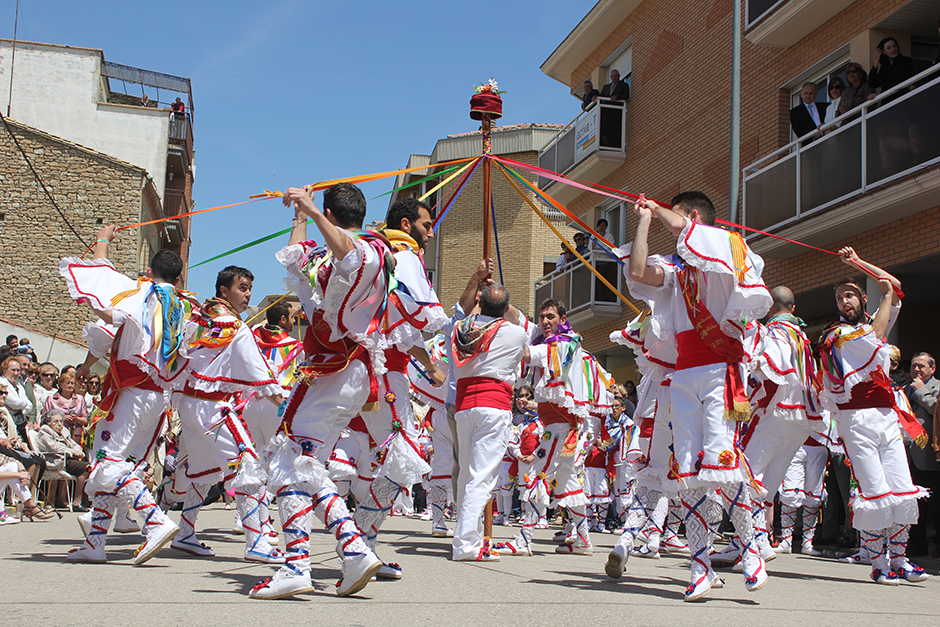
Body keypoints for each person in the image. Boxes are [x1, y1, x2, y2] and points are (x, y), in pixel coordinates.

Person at [251, 182, 396, 599]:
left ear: (330, 217)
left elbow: (350, 253)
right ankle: (346, 553)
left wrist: (312, 211)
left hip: (336, 371)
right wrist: (299, 217)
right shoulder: (325, 261)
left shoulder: (370, 251)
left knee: (288, 460)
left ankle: (307, 561)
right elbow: (298, 260)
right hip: (340, 374)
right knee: (304, 466)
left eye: (321, 217)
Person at [626, 191, 772, 600]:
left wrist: (657, 210)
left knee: (721, 462)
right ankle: (700, 564)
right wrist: (642, 220)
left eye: (675, 218)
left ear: (692, 219)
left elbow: (682, 229)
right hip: (685, 373)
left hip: (719, 371)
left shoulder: (729, 248)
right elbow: (638, 272)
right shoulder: (678, 271)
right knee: (687, 471)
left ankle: (750, 548)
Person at [59, 226, 184, 564]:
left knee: (106, 462)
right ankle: (95, 543)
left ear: (148, 272)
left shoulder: (144, 293)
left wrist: (102, 240)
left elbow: (105, 295)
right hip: (159, 398)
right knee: (114, 466)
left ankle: (155, 520)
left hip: (134, 392)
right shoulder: (178, 305)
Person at [817, 247, 929, 584]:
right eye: (839, 298)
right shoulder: (837, 334)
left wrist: (856, 262)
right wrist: (885, 294)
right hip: (856, 420)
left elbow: (891, 286)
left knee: (901, 486)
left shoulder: (866, 323)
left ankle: (900, 558)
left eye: (849, 295)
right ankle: (879, 562)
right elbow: (877, 334)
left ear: (862, 299)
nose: (844, 302)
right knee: (874, 491)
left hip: (885, 416)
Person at [351, 196, 448, 580]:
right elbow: (418, 317)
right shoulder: (403, 254)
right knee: (403, 456)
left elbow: (398, 325)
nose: (430, 233)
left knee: (327, 457)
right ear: (406, 224)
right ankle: (359, 539)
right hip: (382, 376)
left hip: (359, 371)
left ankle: (357, 544)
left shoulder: (373, 251)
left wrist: (426, 363)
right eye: (426, 225)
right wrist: (427, 359)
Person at [166, 266, 285, 562]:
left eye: (249, 289)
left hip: (190, 406)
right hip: (213, 407)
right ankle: (256, 541)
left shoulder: (198, 318)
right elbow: (259, 373)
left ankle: (185, 534)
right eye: (242, 288)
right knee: (249, 467)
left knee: (204, 472)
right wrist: (285, 405)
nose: (247, 295)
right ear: (224, 291)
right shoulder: (235, 327)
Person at [710, 286, 819, 566]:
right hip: (802, 421)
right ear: (793, 309)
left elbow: (767, 366)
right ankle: (744, 544)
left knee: (743, 477)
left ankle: (756, 542)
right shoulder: (803, 336)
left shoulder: (774, 333)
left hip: (778, 414)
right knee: (766, 486)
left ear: (771, 308)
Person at [498, 299, 612, 557]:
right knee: (568, 484)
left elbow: (527, 354)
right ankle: (582, 539)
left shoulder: (562, 344)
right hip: (564, 426)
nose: (545, 322)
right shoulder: (554, 340)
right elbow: (520, 320)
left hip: (561, 428)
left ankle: (524, 538)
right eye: (542, 317)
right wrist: (503, 303)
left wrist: (501, 341)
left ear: (562, 318)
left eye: (550, 316)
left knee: (536, 477)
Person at [450, 284, 530, 562]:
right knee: (480, 476)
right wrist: (505, 308)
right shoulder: (515, 332)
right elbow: (525, 325)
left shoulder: (461, 329)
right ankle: (466, 545)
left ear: (480, 305)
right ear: (506, 309)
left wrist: (481, 294)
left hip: (464, 406)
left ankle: (463, 537)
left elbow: (470, 314)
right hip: (493, 406)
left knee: (466, 475)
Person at [903, 352, 939, 556]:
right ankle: (916, 544)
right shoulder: (905, 389)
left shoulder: (937, 387)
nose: (916, 370)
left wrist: (922, 391)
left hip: (929, 457)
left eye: (921, 366)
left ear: (932, 369)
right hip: (908, 454)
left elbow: (937, 410)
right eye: (914, 366)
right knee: (914, 503)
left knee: (934, 504)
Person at [35, 408, 90, 511]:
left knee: (88, 466)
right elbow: (55, 448)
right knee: (86, 467)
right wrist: (72, 452)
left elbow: (74, 444)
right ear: (48, 422)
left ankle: (78, 501)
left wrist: (77, 451)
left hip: (67, 460)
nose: (59, 424)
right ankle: (76, 502)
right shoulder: (45, 432)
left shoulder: (63, 432)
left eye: (61, 421)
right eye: (56, 421)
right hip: (56, 461)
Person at [43, 372, 90, 445]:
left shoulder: (80, 399)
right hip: (56, 436)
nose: (70, 385)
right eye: (67, 383)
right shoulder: (51, 399)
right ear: (60, 384)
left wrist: (76, 419)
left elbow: (86, 421)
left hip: (76, 436)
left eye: (72, 383)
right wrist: (62, 418)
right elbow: (45, 419)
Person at [868, 37, 915, 102]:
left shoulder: (906, 61)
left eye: (894, 46)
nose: (893, 49)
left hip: (902, 99)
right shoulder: (884, 68)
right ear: (883, 52)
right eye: (889, 48)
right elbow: (872, 83)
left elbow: (900, 81)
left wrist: (880, 94)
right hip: (888, 103)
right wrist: (875, 63)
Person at [1, 357, 33, 440]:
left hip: (20, 421)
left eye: (18, 370)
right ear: (4, 370)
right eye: (13, 370)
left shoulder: (19, 385)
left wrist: (21, 408)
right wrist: (22, 404)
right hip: (6, 422)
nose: (16, 373)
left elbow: (30, 406)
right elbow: (15, 403)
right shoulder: (2, 383)